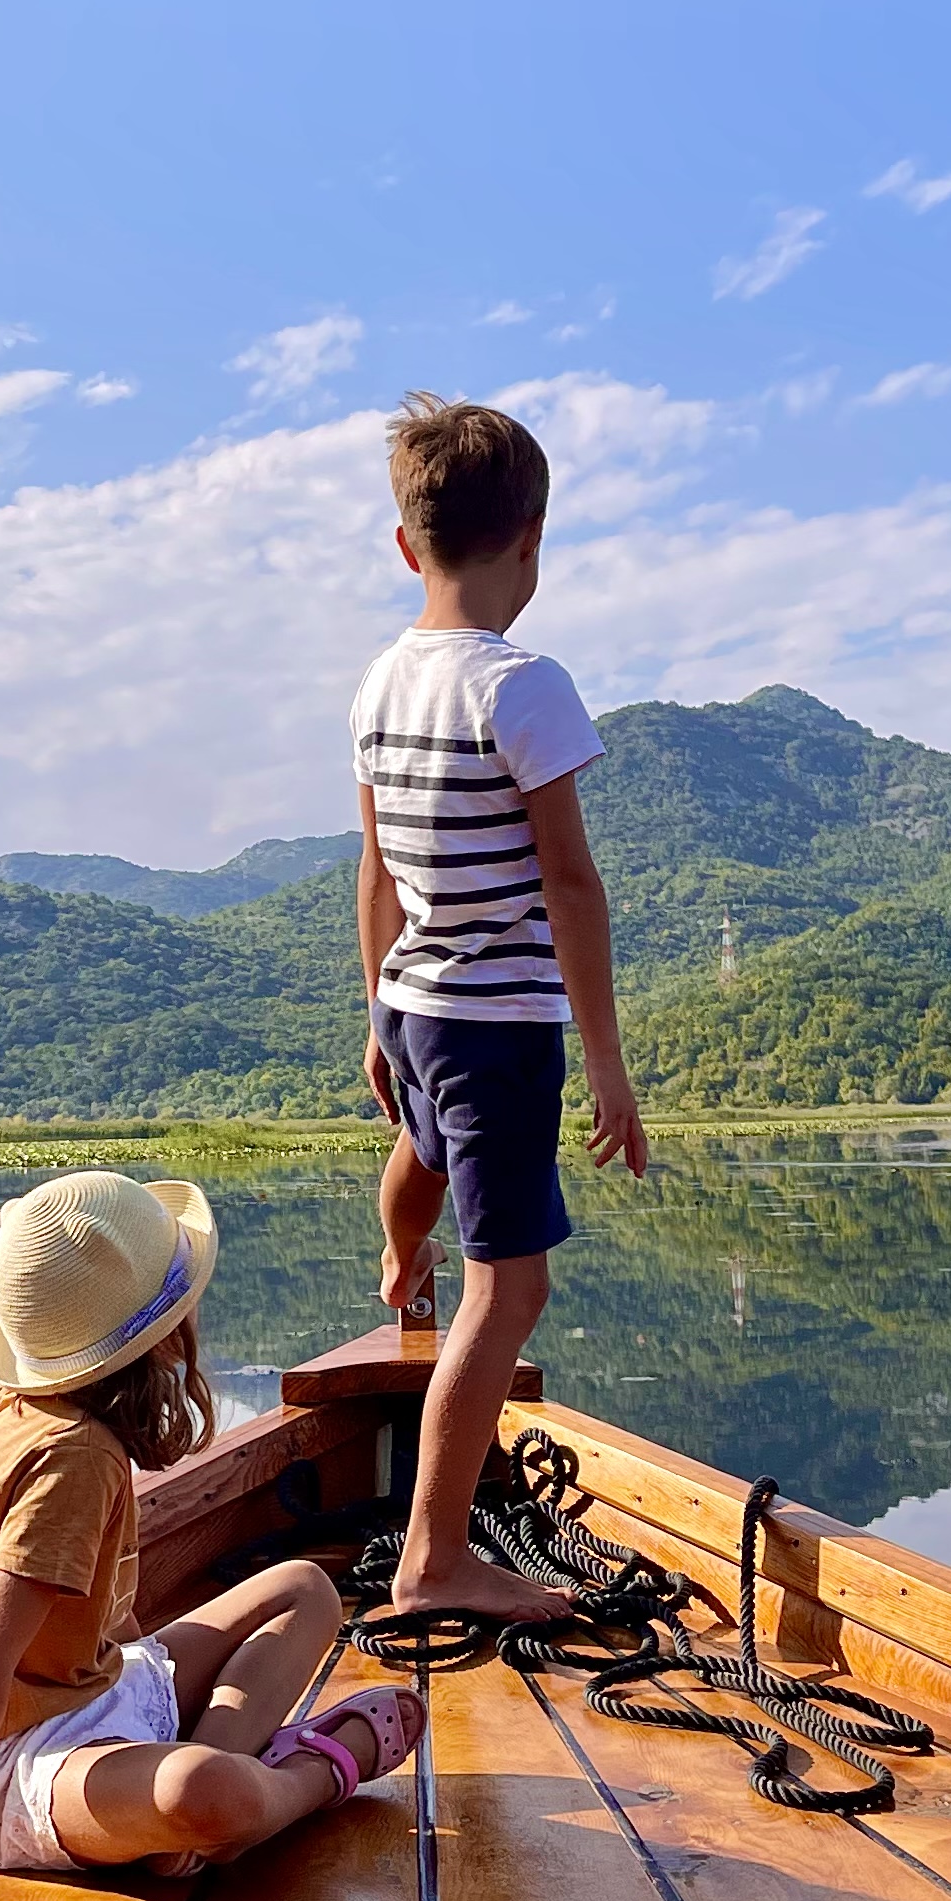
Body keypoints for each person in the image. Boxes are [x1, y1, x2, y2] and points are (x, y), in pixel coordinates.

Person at [0, 1168, 424, 1901]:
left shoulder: (51, 1422)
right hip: (8, 1770)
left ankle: (212, 1792)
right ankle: (311, 1776)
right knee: (205, 1795)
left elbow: (102, 1630)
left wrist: (144, 1684)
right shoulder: (71, 1460)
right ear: (163, 1334)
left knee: (303, 1587)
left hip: (92, 1693)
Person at [354, 394, 648, 1619]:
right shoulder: (525, 688)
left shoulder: (379, 684)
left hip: (417, 1005)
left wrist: (376, 1010)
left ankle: (394, 1251)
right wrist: (611, 1070)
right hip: (499, 1025)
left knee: (421, 1149)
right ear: (531, 538)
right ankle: (435, 1561)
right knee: (509, 1291)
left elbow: (373, 868)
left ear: (407, 543)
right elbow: (571, 886)